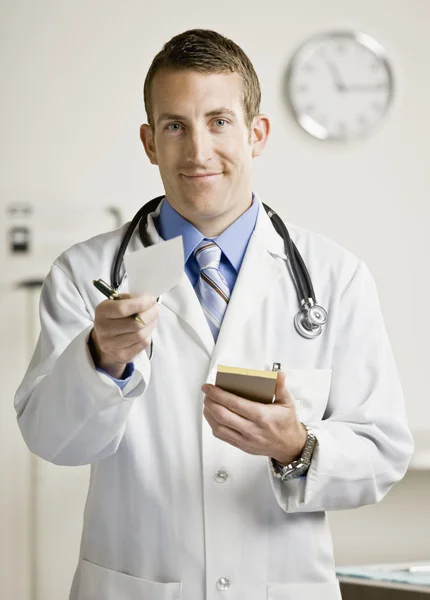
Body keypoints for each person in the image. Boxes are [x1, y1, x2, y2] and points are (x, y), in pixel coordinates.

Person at [15, 28, 413, 600]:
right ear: (151, 143)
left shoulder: (335, 276)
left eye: (220, 122)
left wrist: (297, 446)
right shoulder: (85, 273)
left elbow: (382, 452)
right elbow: (54, 442)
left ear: (257, 134)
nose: (199, 151)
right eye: (175, 126)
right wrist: (100, 362)